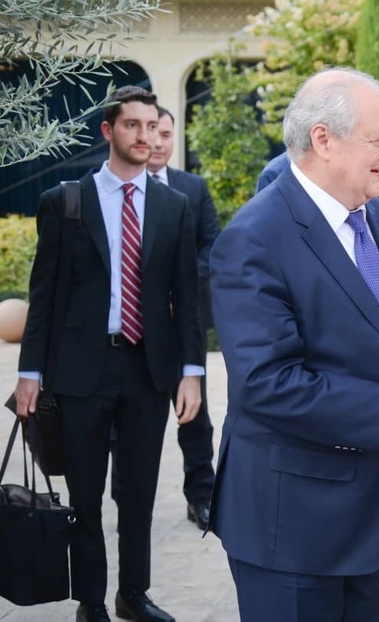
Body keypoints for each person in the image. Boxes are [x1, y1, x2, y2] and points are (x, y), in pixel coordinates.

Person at [208, 67, 379, 622]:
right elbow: (267, 384)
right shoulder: (253, 239)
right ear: (323, 139)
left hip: (374, 520)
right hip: (294, 530)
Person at [13, 85, 204, 622]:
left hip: (148, 369)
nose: (145, 136)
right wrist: (30, 371)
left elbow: (187, 296)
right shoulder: (65, 201)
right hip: (80, 369)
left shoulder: (174, 206)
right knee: (86, 495)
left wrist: (192, 372)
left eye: (152, 127)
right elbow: (43, 296)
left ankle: (133, 595)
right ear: (108, 131)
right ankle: (92, 601)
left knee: (139, 492)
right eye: (132, 125)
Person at [145, 106, 221, 529]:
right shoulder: (121, 191)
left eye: (166, 133)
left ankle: (201, 496)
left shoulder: (193, 187)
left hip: (183, 325)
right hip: (136, 329)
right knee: (131, 418)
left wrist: (181, 288)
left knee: (195, 414)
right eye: (152, 131)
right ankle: (127, 496)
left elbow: (213, 245)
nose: (159, 142)